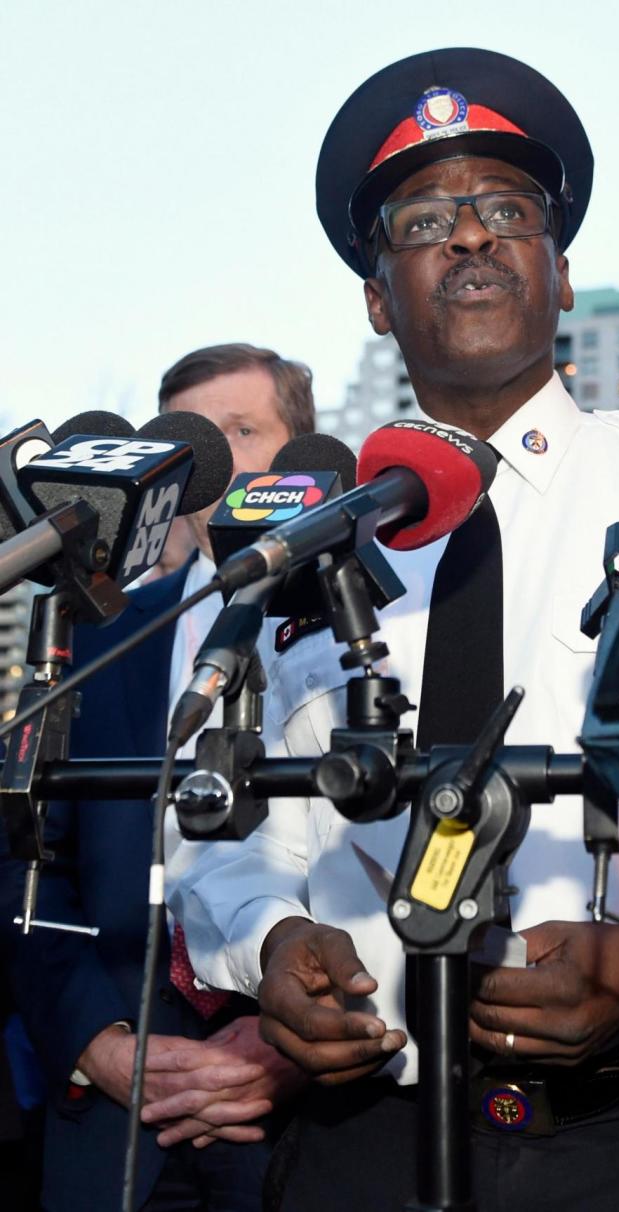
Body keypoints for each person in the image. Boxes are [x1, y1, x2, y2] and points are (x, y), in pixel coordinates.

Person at [169, 49, 619, 1212]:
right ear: (374, 297)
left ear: (560, 276)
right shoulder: (290, 539)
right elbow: (216, 831)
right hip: (362, 1147)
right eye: (424, 219)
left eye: (506, 211)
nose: (467, 238)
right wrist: (269, 947)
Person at [0, 342, 314, 1211]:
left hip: (312, 1113)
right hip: (112, 1114)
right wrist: (95, 1040)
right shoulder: (93, 633)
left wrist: (298, 1034)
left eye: (240, 431)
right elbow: (26, 861)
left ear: (300, 450)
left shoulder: (378, 625)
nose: (213, 459)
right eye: (187, 440)